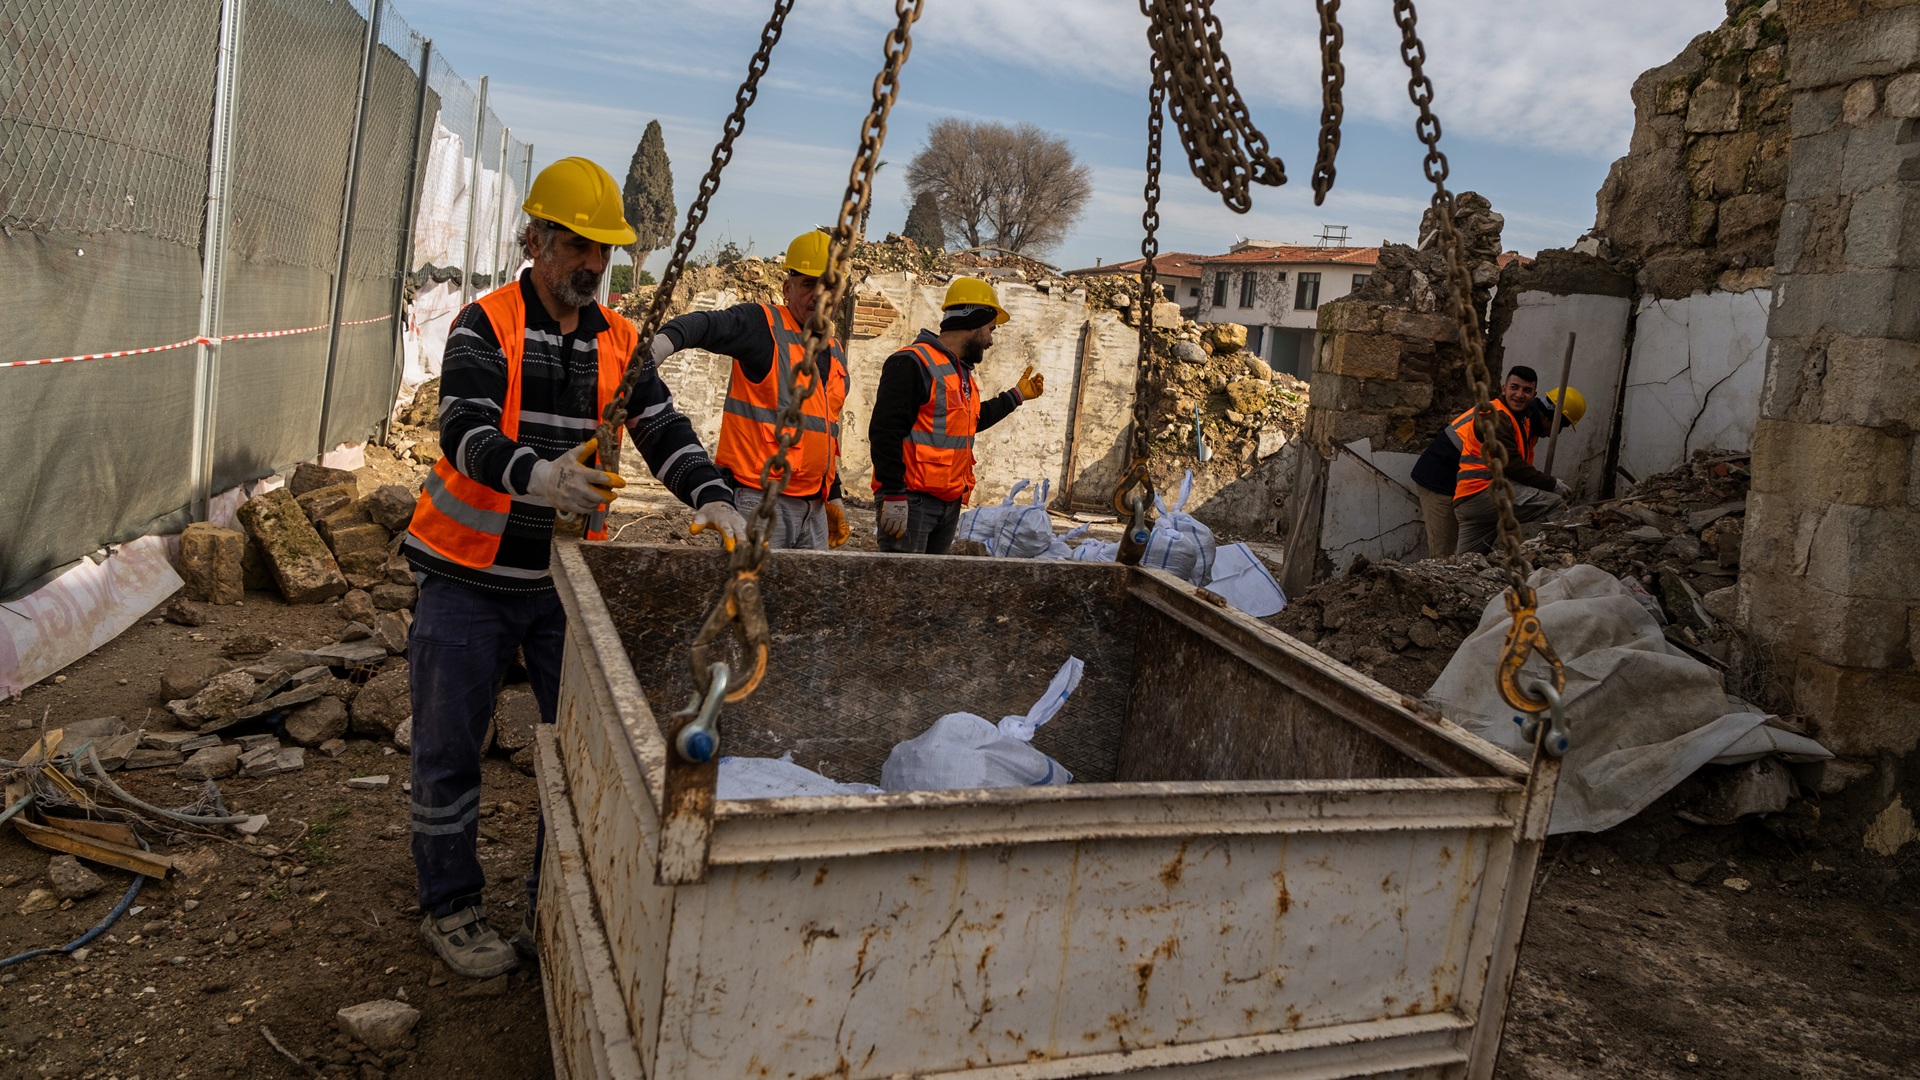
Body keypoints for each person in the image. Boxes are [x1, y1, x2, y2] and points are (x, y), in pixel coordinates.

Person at [401, 156, 747, 979]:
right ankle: (449, 907)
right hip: (466, 574)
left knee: (579, 753)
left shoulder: (621, 340)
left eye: (604, 252)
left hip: (561, 584)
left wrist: (713, 495)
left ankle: (544, 901)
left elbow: (665, 430)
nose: (593, 265)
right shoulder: (484, 326)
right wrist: (543, 477)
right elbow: (466, 433)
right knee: (450, 748)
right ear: (536, 239)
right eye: (577, 245)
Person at [648, 231, 851, 549]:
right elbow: (707, 325)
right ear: (788, 288)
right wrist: (659, 345)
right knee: (750, 595)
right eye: (808, 284)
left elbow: (823, 433)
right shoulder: (763, 326)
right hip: (759, 502)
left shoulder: (834, 352)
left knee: (810, 598)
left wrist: (834, 494)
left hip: (814, 508)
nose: (818, 295)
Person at [867, 278, 1044, 553]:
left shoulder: (959, 372)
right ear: (973, 322)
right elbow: (885, 432)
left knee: (932, 591)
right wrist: (893, 494)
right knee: (903, 591)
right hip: (911, 502)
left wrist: (1015, 397)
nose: (990, 340)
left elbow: (970, 422)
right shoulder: (912, 363)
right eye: (990, 329)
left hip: (947, 505)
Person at [1410, 371, 1584, 557]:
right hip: (1439, 479)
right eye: (1561, 428)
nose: (1555, 435)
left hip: (1472, 486)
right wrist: (1550, 484)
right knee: (1443, 554)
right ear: (1550, 418)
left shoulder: (1523, 421)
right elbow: (1512, 465)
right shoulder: (1503, 417)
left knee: (1470, 559)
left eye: (1526, 390)